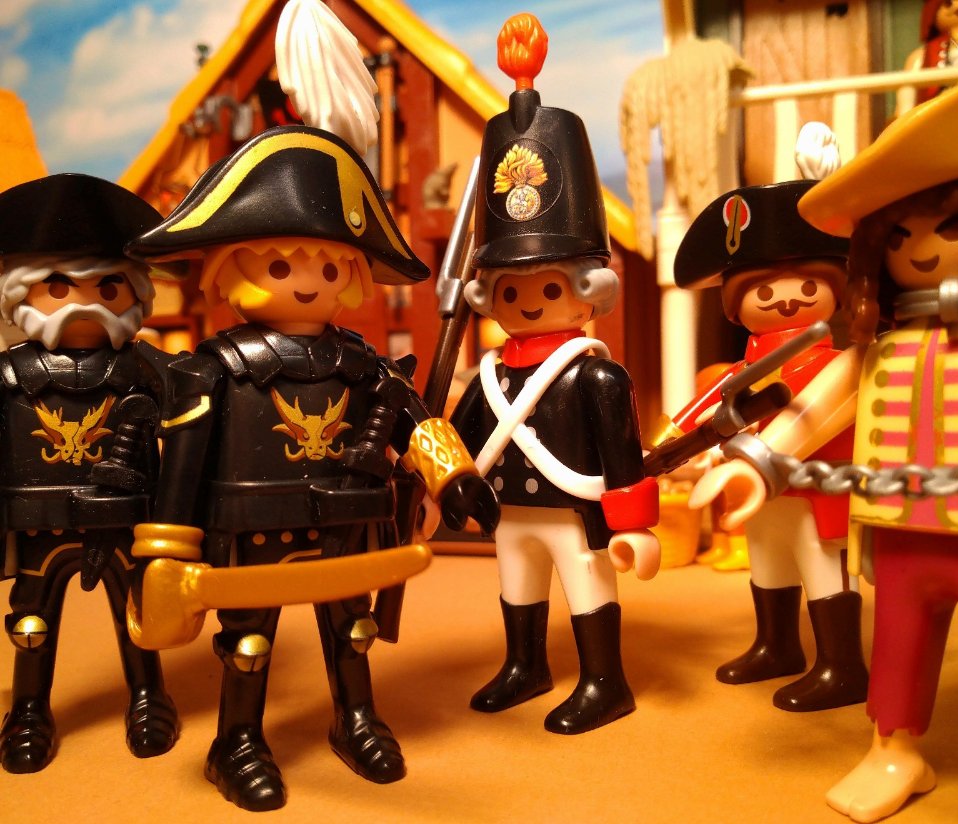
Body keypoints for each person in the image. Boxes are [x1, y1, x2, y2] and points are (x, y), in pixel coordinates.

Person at [125, 123, 499, 812]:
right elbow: (182, 470)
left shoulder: (360, 364)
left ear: (351, 276)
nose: (308, 284)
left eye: (330, 269)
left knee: (353, 632)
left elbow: (414, 420)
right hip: (250, 533)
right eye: (280, 268)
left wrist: (456, 477)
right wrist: (167, 553)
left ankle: (354, 719)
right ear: (230, 268)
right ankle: (237, 742)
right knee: (247, 643)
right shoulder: (216, 369)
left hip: (348, 528)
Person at [690, 72, 958, 822]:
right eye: (897, 235)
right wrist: (759, 465)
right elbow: (815, 410)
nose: (918, 251)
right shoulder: (881, 346)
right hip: (900, 531)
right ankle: (894, 750)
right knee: (896, 644)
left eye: (946, 227)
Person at [450, 13, 660, 736]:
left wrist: (636, 527)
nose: (530, 301)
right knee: (517, 583)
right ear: (488, 296)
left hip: (577, 511)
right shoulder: (488, 374)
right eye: (511, 290)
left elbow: (624, 458)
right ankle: (525, 664)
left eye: (548, 286)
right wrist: (440, 480)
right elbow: (457, 438)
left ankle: (605, 680)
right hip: (510, 511)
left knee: (586, 585)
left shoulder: (594, 377)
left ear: (587, 289)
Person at [0, 173, 178, 773]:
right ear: (22, 290)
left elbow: (193, 431)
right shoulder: (9, 376)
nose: (86, 301)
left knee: (139, 612)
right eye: (59, 285)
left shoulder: (150, 371)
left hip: (128, 518)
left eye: (108, 285)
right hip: (38, 521)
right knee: (31, 621)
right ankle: (29, 709)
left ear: (135, 294)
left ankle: (149, 695)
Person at [671, 180, 867, 712]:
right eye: (763, 292)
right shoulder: (742, 370)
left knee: (822, 564)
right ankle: (776, 645)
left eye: (808, 286)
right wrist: (670, 446)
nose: (785, 298)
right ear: (735, 305)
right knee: (767, 559)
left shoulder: (836, 365)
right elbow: (700, 411)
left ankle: (842, 666)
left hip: (815, 488)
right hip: (754, 491)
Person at [895, 0, 958, 116]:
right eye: (948, 3)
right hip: (940, 114)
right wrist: (904, 117)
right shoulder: (921, 56)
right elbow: (907, 92)